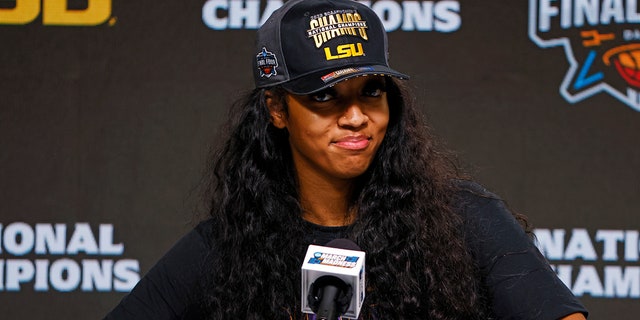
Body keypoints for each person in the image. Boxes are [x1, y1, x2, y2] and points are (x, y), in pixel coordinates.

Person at [105, 0, 588, 319]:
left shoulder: (464, 219)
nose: (356, 117)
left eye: (371, 92)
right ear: (277, 109)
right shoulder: (226, 247)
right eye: (325, 97)